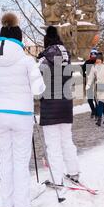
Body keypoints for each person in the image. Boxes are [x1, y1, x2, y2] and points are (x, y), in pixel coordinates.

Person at [0, 13, 46, 207]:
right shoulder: (27, 61)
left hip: (1, 114)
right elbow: (39, 90)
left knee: (5, 160)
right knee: (20, 161)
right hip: (21, 115)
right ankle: (22, 206)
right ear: (19, 39)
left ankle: (7, 204)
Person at [38, 26, 80, 187]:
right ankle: (74, 172)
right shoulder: (66, 56)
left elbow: (38, 81)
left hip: (50, 106)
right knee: (67, 141)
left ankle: (57, 180)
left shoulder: (44, 59)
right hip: (66, 104)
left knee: (53, 145)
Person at [86, 52, 104, 127]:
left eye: (99, 60)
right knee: (101, 103)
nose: (98, 61)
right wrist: (88, 84)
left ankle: (99, 119)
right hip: (96, 87)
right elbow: (90, 77)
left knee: (100, 103)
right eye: (97, 60)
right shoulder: (94, 67)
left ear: (102, 60)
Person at [82, 48, 98, 118]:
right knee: (90, 99)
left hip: (97, 83)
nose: (93, 55)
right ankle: (93, 111)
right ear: (90, 55)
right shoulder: (87, 62)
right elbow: (82, 70)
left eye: (95, 54)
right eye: (92, 54)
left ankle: (97, 112)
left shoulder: (98, 62)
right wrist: (85, 75)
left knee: (96, 99)